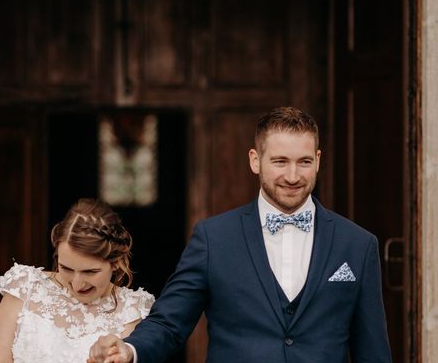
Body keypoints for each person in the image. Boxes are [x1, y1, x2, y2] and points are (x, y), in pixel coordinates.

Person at [89, 107, 391, 363]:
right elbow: (170, 323)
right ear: (255, 160)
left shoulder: (358, 244)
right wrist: (130, 349)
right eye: (280, 161)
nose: (293, 176)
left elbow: (373, 349)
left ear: (318, 160)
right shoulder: (213, 238)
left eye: (304, 162)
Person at [0, 198, 154, 363]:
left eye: (90, 272)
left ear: (116, 263)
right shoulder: (25, 287)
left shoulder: (133, 311)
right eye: (66, 268)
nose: (77, 284)